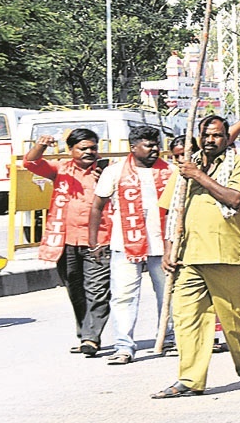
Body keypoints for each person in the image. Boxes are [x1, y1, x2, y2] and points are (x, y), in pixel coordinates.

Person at [152, 115, 240, 398]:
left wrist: (199, 176)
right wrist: (168, 249)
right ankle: (189, 379)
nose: (210, 140)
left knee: (236, 317)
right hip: (189, 255)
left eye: (216, 135)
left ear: (227, 137)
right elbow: (171, 210)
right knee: (187, 318)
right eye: (205, 135)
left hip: (227, 253)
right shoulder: (186, 167)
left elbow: (235, 199)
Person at [89, 126, 177, 364]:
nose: (155, 149)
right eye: (148, 145)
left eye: (156, 144)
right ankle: (124, 346)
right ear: (133, 147)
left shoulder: (171, 171)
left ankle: (168, 338)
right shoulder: (114, 172)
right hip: (124, 245)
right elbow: (97, 206)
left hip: (164, 247)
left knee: (167, 294)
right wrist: (95, 239)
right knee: (124, 296)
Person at [22, 129, 111, 357]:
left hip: (99, 240)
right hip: (65, 240)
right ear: (71, 150)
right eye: (83, 148)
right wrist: (41, 145)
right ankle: (84, 335)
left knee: (98, 290)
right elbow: (30, 163)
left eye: (93, 148)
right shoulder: (61, 169)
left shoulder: (106, 170)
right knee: (75, 289)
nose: (89, 152)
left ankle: (93, 337)